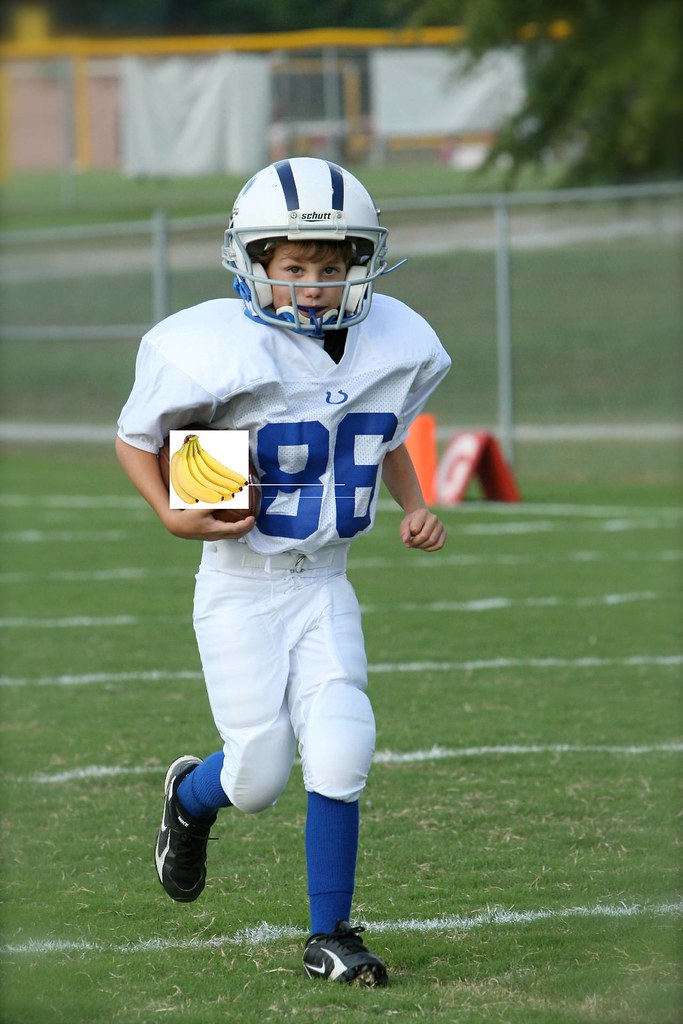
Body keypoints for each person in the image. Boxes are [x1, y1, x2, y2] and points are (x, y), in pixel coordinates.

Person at [116, 157, 451, 987]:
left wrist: (413, 502)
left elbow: (383, 435)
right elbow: (136, 439)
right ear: (255, 263)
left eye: (329, 267)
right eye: (293, 267)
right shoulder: (211, 348)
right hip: (240, 583)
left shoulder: (391, 341)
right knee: (258, 774)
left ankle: (330, 931)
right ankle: (189, 802)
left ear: (358, 265)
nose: (311, 284)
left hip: (324, 579)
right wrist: (169, 508)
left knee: (342, 744)